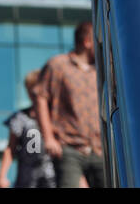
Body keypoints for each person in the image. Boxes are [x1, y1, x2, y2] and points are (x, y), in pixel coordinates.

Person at [33, 20, 105, 188]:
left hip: (100, 148)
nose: (102, 46)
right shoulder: (58, 65)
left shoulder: (101, 70)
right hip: (69, 147)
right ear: (87, 41)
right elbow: (40, 97)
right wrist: (49, 137)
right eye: (99, 41)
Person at [0, 69, 56, 188]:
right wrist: (2, 176)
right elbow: (10, 148)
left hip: (53, 175)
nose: (34, 96)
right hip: (28, 177)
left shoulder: (56, 117)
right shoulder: (20, 118)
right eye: (30, 92)